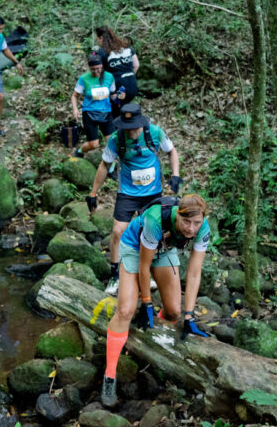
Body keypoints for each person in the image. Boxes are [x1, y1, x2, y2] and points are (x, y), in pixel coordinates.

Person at [100, 194, 212, 407]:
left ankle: (149, 334)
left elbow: (195, 273)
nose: (191, 228)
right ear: (178, 214)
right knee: (125, 310)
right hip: (134, 247)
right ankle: (109, 375)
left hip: (164, 250)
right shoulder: (155, 220)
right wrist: (147, 302)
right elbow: (144, 265)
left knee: (173, 313)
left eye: (196, 223)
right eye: (186, 221)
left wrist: (189, 316)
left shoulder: (203, 228)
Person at [86, 103, 182, 295]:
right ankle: (115, 275)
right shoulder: (116, 138)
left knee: (151, 231)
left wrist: (175, 175)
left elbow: (171, 152)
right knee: (118, 231)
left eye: (133, 127)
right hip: (128, 193)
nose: (130, 132)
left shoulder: (155, 133)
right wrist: (93, 193)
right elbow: (104, 165)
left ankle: (149, 273)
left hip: (152, 193)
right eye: (127, 128)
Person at [71, 53, 115, 156]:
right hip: (89, 113)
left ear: (102, 66)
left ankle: (110, 168)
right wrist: (75, 109)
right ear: (89, 68)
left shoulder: (109, 77)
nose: (96, 72)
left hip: (106, 112)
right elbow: (74, 96)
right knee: (94, 144)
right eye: (93, 69)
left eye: (98, 68)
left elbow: (113, 94)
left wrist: (119, 96)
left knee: (111, 142)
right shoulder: (84, 78)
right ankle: (79, 151)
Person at [95, 26, 140, 118]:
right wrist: (128, 77)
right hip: (132, 85)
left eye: (97, 39)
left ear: (101, 38)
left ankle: (118, 130)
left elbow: (99, 73)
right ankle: (129, 126)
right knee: (123, 109)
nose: (97, 41)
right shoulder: (127, 47)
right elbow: (136, 65)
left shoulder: (102, 52)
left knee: (115, 114)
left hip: (117, 88)